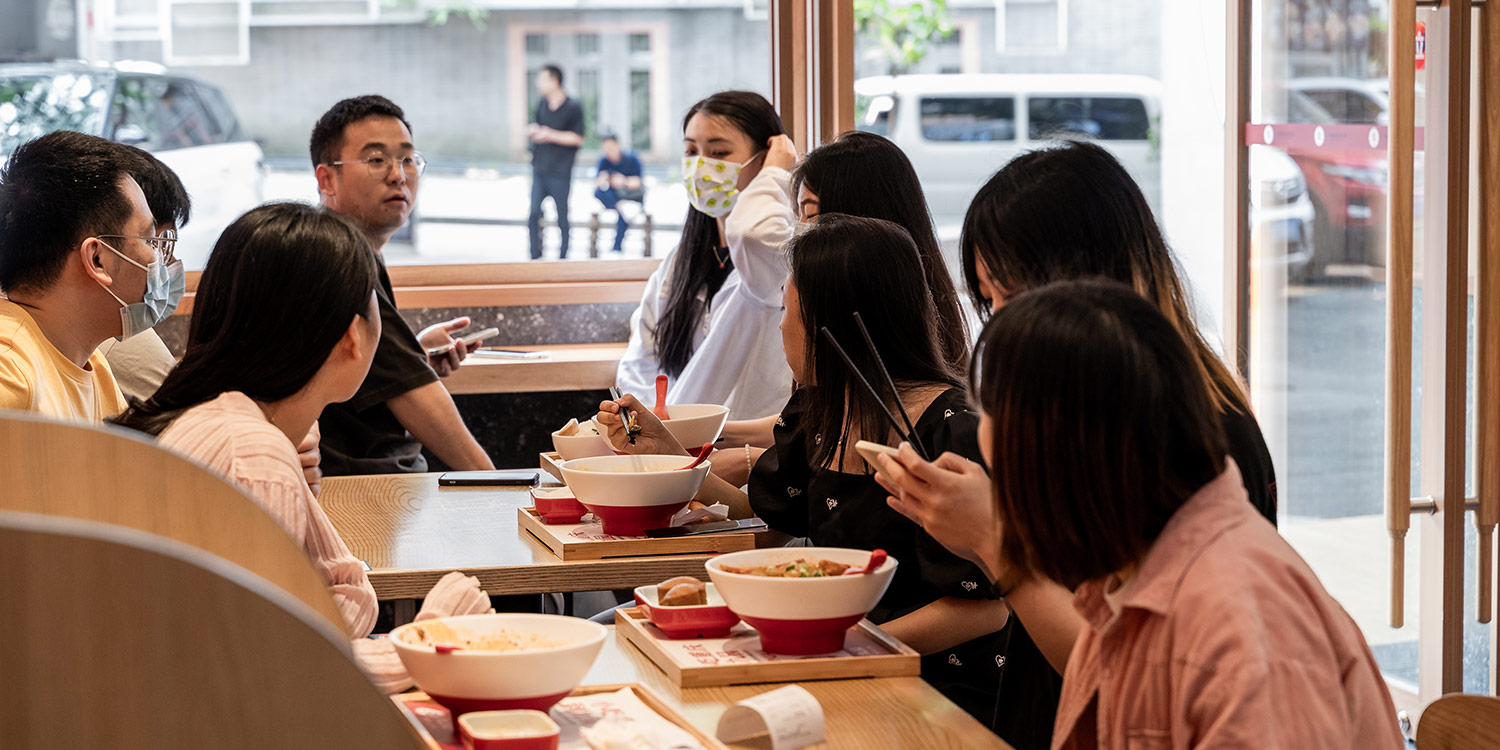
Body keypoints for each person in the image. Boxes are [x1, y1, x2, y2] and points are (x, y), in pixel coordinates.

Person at [876, 140, 1282, 749]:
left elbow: (1123, 673)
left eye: (1008, 295)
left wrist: (993, 540)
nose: (999, 323)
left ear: (1085, 284)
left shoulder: (1196, 437)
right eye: (987, 300)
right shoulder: (1093, 421)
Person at [908, 279, 1401, 747]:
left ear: (1064, 465)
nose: (1010, 501)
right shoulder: (1131, 572)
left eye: (1010, 480)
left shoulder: (1240, 627)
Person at [602, 216, 1010, 728]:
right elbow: (764, 508)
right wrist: (666, 451)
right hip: (836, 664)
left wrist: (854, 646)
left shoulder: (951, 433)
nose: (779, 325)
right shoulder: (822, 409)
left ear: (829, 326)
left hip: (938, 692)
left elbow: (986, 608)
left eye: (787, 310)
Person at [112, 202, 495, 694]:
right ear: (352, 337)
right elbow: (271, 679)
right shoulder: (251, 454)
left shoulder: (230, 424)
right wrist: (432, 641)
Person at [714, 130, 973, 470]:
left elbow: (751, 233)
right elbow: (816, 414)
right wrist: (717, 435)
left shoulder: (882, 314)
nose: (803, 229)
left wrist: (775, 172)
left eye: (810, 215)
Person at [310, 95, 494, 475]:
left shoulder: (356, 248)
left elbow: (366, 370)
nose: (398, 174)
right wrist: (507, 494)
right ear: (326, 178)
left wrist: (415, 354)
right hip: (360, 484)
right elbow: (414, 395)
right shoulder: (335, 256)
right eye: (376, 160)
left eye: (408, 159)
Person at [615, 91, 798, 420]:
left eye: (719, 152)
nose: (701, 166)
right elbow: (642, 361)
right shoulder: (678, 263)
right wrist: (650, 423)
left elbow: (750, 234)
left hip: (752, 451)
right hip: (675, 445)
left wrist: (775, 177)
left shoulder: (777, 252)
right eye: (691, 151)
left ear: (765, 156)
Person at [0, 131, 180, 421]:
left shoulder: (92, 362)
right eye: (150, 241)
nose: (159, 259)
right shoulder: (9, 371)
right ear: (97, 259)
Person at [96, 145, 192, 404]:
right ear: (97, 255)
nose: (165, 261)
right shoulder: (113, 337)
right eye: (154, 242)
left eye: (167, 244)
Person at [527, 65, 586, 260]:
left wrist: (549, 134)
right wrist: (535, 132)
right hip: (540, 167)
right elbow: (540, 127)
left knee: (562, 215)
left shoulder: (573, 107)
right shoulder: (542, 103)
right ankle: (534, 255)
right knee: (534, 212)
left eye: (542, 79)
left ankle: (563, 256)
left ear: (555, 81)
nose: (539, 84)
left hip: (560, 171)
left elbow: (578, 138)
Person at [593, 132, 644, 254]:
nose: (608, 151)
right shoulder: (604, 161)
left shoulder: (631, 159)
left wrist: (623, 181)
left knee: (624, 212)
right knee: (600, 193)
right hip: (614, 198)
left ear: (617, 145)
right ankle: (620, 205)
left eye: (610, 147)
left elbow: (639, 183)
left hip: (630, 196)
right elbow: (596, 185)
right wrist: (604, 179)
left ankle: (616, 247)